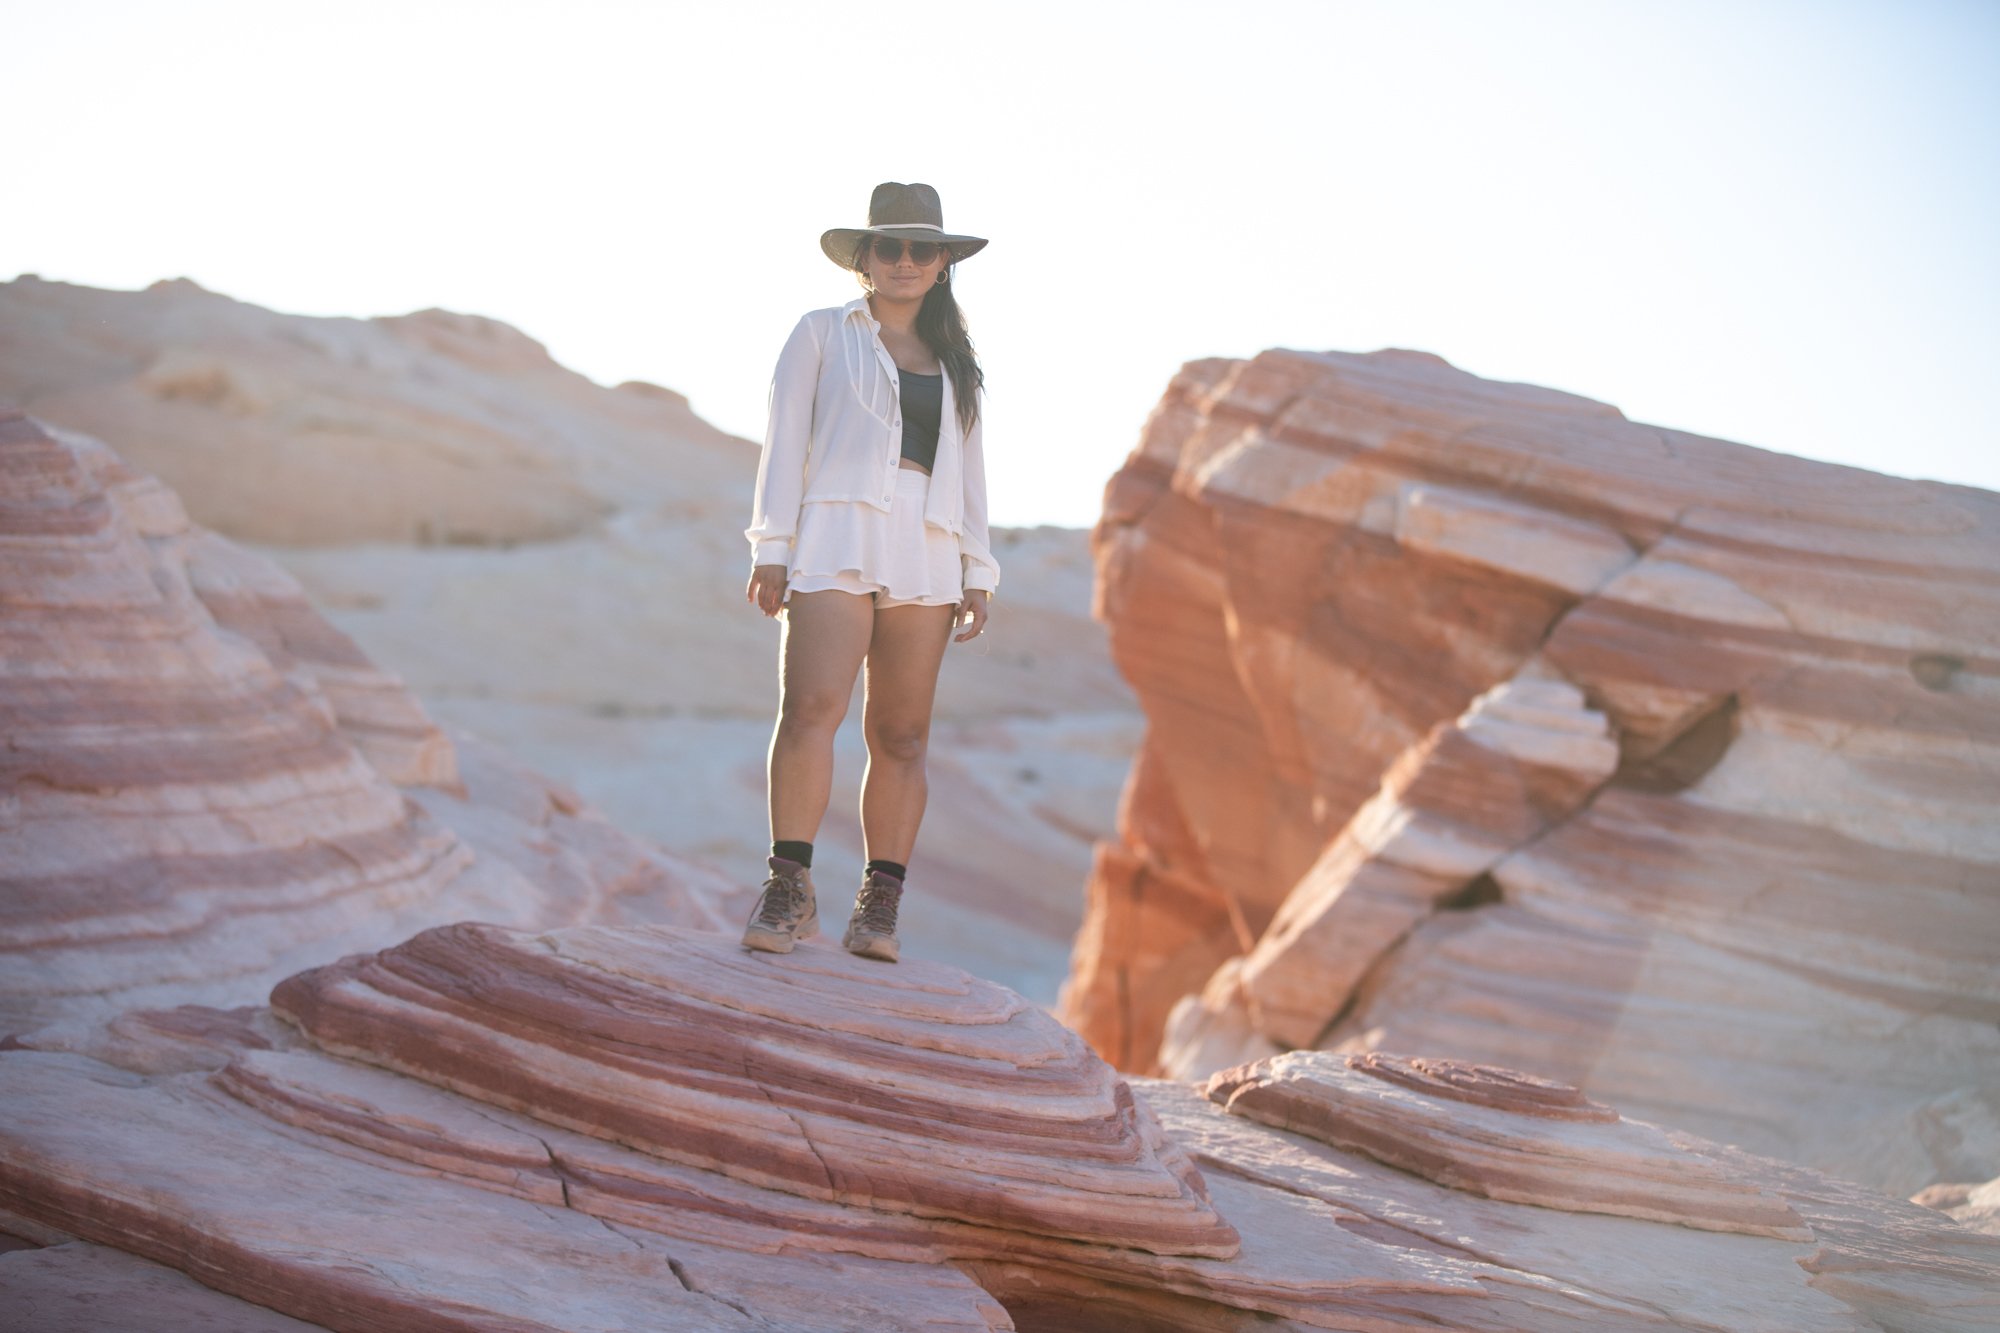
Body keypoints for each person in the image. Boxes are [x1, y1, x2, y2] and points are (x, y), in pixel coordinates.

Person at [739, 182, 1001, 964]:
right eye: (891, 247)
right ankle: (789, 887)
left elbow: (973, 472)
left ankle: (878, 904)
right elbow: (783, 442)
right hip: (836, 532)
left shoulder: (958, 363)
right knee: (812, 705)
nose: (906, 262)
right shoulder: (822, 333)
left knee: (902, 732)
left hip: (926, 546)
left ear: (943, 263)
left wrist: (977, 567)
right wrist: (772, 547)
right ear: (865, 258)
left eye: (923, 249)